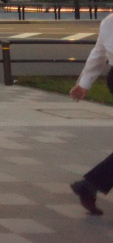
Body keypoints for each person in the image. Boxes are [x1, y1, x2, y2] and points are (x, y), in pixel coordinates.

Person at [69, 12, 113, 215]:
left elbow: (99, 53)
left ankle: (90, 185)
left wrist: (85, 83)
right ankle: (90, 184)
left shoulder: (109, 21)